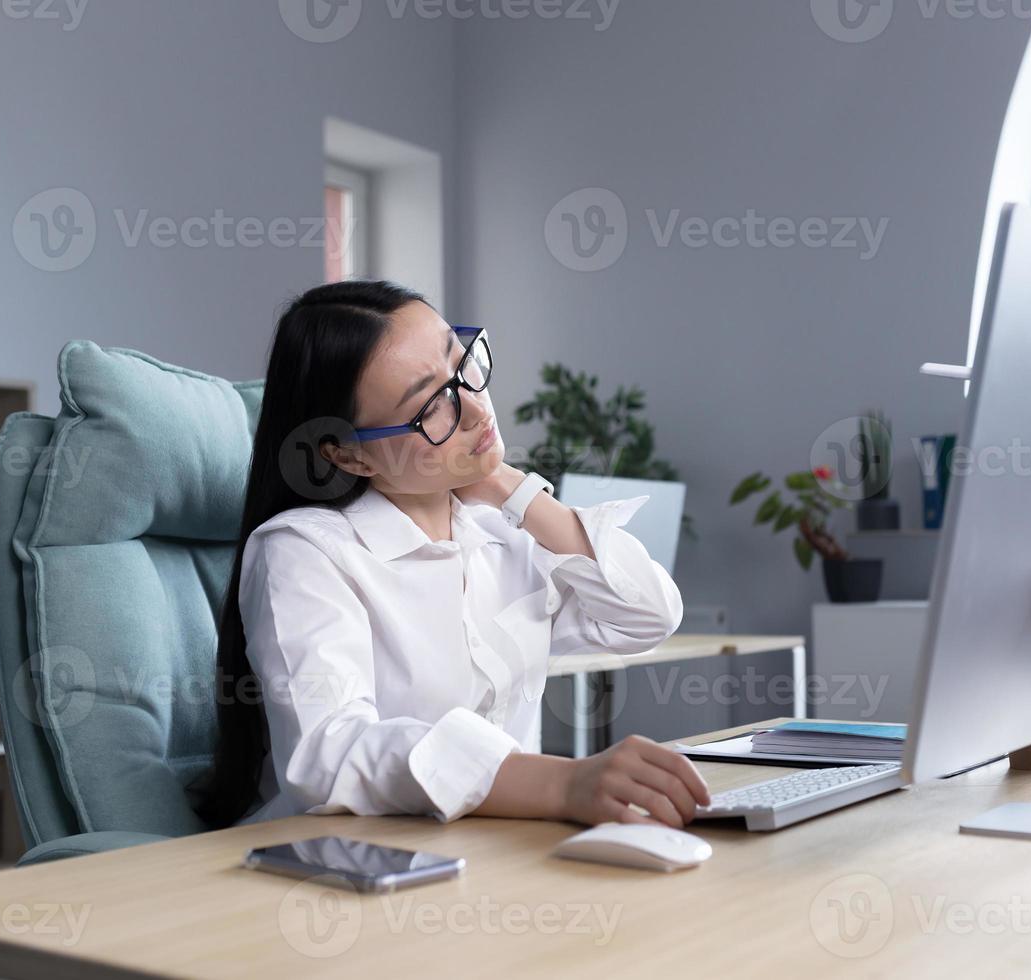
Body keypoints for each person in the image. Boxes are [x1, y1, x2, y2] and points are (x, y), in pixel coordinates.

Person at [198, 280, 709, 830]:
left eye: (461, 363)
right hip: (346, 861)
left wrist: (511, 489)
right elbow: (327, 753)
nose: (474, 409)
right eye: (429, 406)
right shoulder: (305, 550)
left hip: (495, 853)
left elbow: (649, 615)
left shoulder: (500, 530)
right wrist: (562, 782)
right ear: (347, 453)